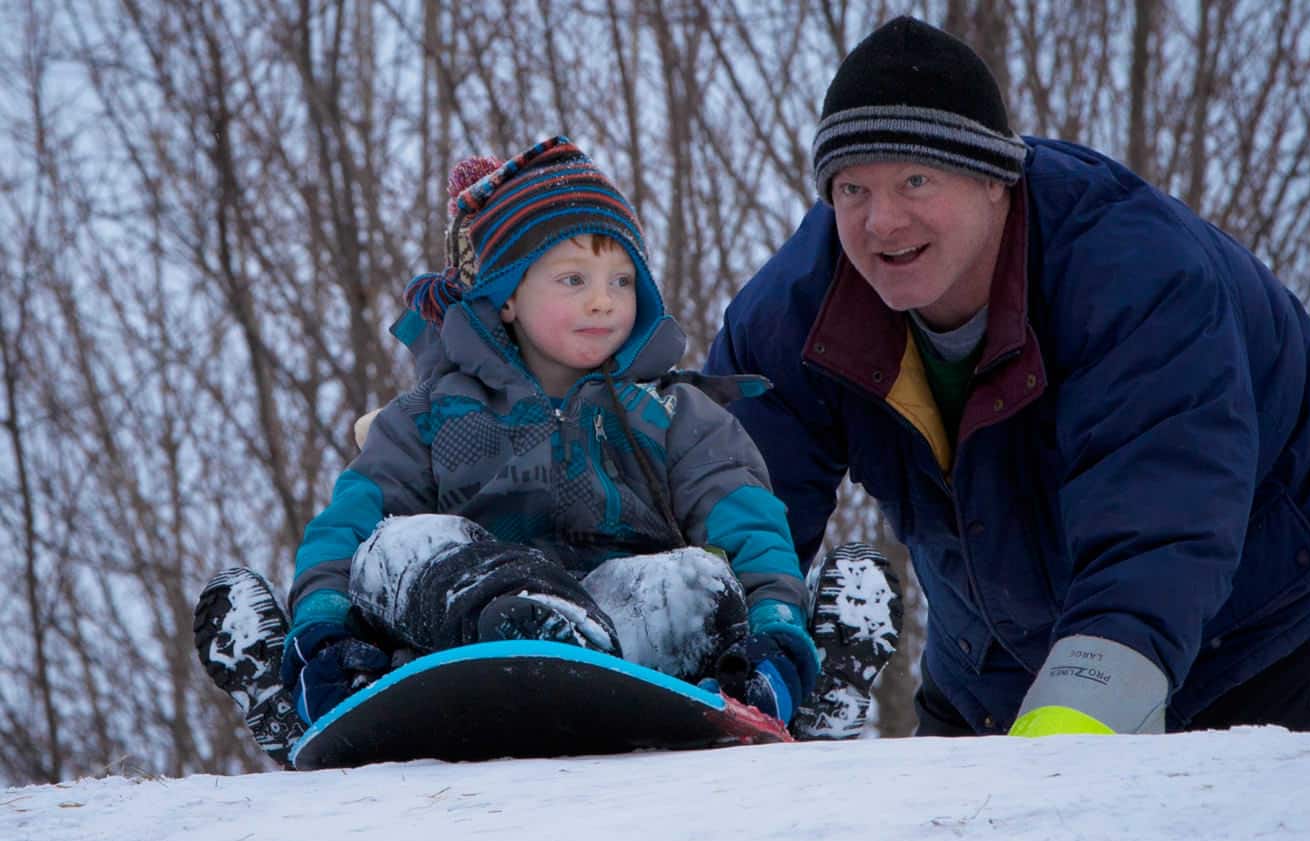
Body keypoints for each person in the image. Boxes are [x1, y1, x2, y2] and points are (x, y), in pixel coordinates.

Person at [706, 17, 1310, 739]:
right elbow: (736, 500)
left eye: (915, 180)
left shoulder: (1131, 276)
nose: (882, 221)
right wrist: (728, 657)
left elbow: (1159, 518)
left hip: (1255, 559)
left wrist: (1080, 713)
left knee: (1161, 770)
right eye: (852, 189)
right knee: (968, 771)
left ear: (994, 180)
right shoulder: (794, 318)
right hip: (993, 598)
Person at [195, 138, 900, 768]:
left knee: (696, 582)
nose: (603, 302)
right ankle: (324, 692)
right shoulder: (429, 417)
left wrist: (776, 630)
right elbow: (349, 524)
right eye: (573, 280)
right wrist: (321, 627)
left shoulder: (674, 415)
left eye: (621, 281)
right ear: (505, 298)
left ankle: (777, 694)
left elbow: (748, 521)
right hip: (459, 645)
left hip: (625, 641)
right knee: (400, 545)